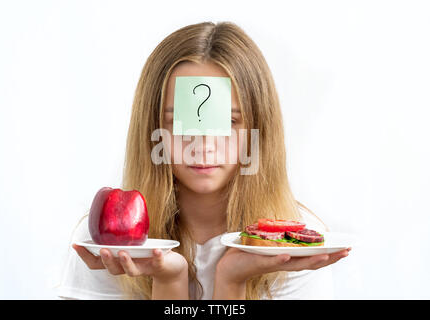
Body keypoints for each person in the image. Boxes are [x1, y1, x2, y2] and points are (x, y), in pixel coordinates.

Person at [56, 21, 350, 300]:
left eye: (228, 122)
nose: (204, 146)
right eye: (182, 123)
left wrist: (232, 279)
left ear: (259, 129)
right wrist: (169, 280)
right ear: (153, 130)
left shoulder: (295, 241)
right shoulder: (108, 242)